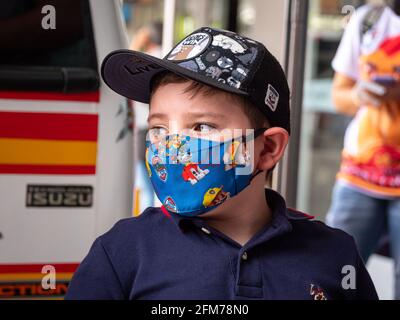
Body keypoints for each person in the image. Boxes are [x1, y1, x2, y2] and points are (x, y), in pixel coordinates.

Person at [65, 27, 378, 300]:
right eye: (159, 129)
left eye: (202, 127)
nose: (173, 147)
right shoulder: (122, 252)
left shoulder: (335, 256)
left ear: (267, 148)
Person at [326, 4, 400, 299]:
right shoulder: (369, 20)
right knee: (337, 273)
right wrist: (358, 94)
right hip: (360, 175)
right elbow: (339, 95)